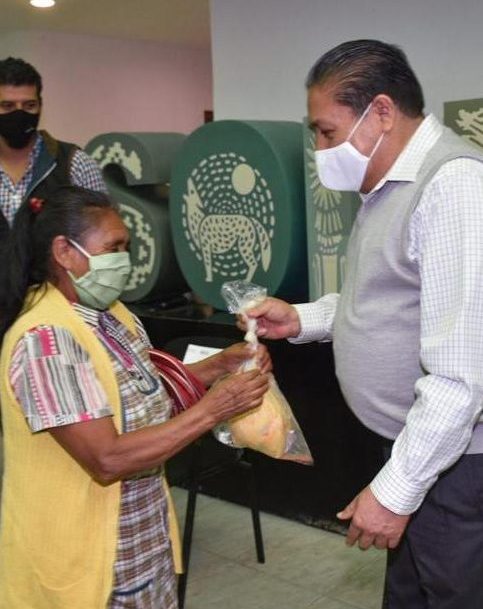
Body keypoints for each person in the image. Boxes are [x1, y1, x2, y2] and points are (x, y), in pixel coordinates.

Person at [244, 39, 483, 608]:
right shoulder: (386, 187)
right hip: (414, 447)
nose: (320, 149)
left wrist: (396, 490)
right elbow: (386, 302)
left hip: (452, 465)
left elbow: (462, 377)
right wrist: (300, 318)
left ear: (380, 112)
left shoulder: (452, 187)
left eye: (327, 132)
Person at [0, 185, 270, 609]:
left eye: (126, 247)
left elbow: (140, 394)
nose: (124, 260)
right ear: (65, 252)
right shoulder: (46, 342)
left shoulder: (112, 316)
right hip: (88, 562)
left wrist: (219, 366)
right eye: (113, 248)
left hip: (141, 546)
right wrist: (213, 409)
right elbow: (107, 459)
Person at [0, 57, 105, 237]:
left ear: (40, 107)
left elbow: (104, 236)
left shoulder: (75, 164)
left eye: (29, 105)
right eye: (7, 106)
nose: (19, 113)